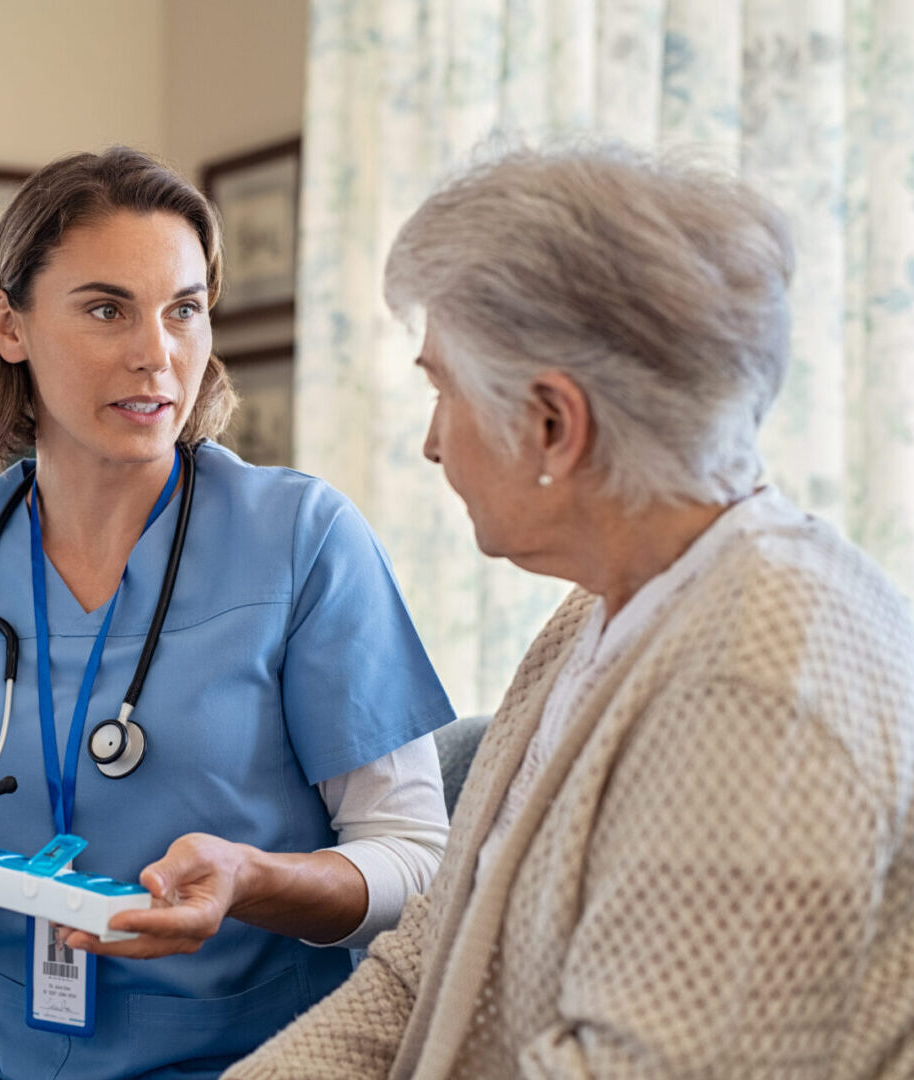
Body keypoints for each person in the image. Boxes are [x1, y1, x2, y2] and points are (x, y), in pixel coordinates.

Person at [227, 143, 914, 1079]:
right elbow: (417, 971)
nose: (432, 445)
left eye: (443, 392)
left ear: (553, 423)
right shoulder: (597, 613)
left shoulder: (761, 677)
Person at [0, 146, 456, 1080]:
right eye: (106, 308)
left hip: (259, 1057)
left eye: (184, 310)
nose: (157, 353)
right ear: (11, 326)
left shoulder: (302, 539)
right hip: (5, 1055)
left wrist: (251, 880)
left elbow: (414, 862)